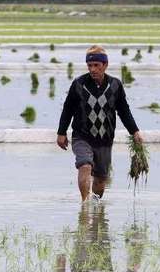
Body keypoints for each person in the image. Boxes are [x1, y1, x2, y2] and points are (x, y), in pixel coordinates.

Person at [57, 45, 143, 202]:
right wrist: (61, 133)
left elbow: (124, 111)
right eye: (90, 65)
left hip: (105, 139)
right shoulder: (78, 84)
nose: (93, 69)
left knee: (101, 179)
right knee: (85, 165)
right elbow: (67, 109)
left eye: (96, 65)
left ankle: (95, 206)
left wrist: (135, 132)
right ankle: (85, 206)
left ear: (105, 65)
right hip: (82, 136)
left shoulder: (115, 85)